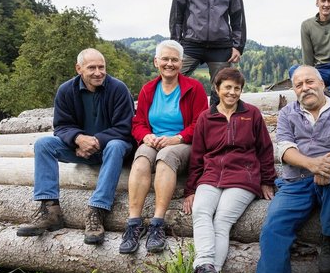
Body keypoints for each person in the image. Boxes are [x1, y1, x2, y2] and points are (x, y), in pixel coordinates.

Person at [255, 65, 330, 273]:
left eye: (310, 82)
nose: (305, 88)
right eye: (299, 85)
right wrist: (313, 165)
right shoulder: (287, 113)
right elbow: (285, 150)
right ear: (294, 90)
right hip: (295, 182)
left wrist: (328, 165)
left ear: (322, 84)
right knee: (272, 227)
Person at [16, 48, 135, 245]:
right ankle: (50, 209)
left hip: (110, 149)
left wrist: (95, 141)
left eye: (101, 67)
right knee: (44, 144)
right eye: (92, 68)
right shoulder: (66, 90)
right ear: (79, 68)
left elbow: (125, 128)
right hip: (79, 148)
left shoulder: (118, 89)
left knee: (115, 145)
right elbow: (61, 126)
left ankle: (97, 210)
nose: (98, 72)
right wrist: (78, 138)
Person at [182, 67, 275, 273]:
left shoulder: (251, 114)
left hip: (243, 176)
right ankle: (207, 272)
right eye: (227, 87)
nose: (232, 92)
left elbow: (265, 149)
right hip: (211, 175)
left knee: (221, 221)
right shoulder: (207, 117)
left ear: (241, 90)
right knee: (201, 211)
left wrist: (267, 180)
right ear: (217, 88)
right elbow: (197, 155)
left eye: (237, 88)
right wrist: (191, 189)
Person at [119, 40, 208, 254]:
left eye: (174, 60)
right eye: (165, 59)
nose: (170, 63)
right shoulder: (148, 89)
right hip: (154, 140)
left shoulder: (194, 88)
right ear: (156, 62)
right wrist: (146, 136)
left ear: (181, 62)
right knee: (140, 159)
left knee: (166, 157)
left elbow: (201, 123)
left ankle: (157, 223)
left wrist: (177, 137)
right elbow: (138, 122)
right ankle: (134, 224)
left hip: (182, 144)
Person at [169, 0, 246, 106]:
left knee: (222, 90)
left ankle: (216, 124)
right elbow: (177, 12)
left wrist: (238, 46)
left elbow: (237, 16)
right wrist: (175, 44)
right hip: (191, 42)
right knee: (171, 78)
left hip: (221, 46)